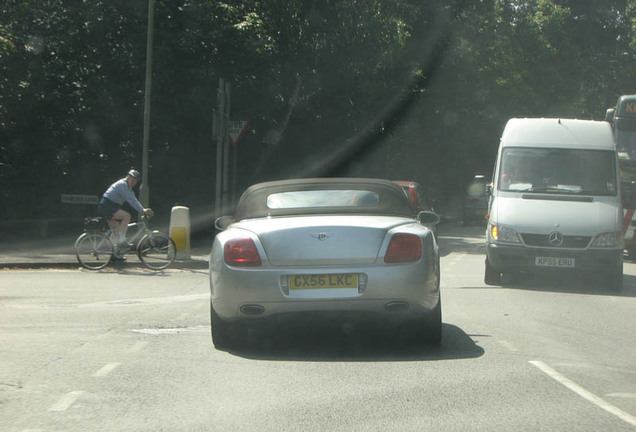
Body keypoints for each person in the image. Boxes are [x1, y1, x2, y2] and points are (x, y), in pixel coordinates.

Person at [98, 169, 154, 252]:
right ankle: (122, 241)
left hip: (109, 206)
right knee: (126, 216)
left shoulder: (128, 188)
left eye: (135, 181)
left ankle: (113, 254)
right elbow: (131, 200)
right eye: (132, 179)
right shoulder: (123, 185)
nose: (133, 182)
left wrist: (142, 210)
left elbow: (134, 200)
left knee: (115, 232)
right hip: (108, 205)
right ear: (127, 177)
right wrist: (143, 211)